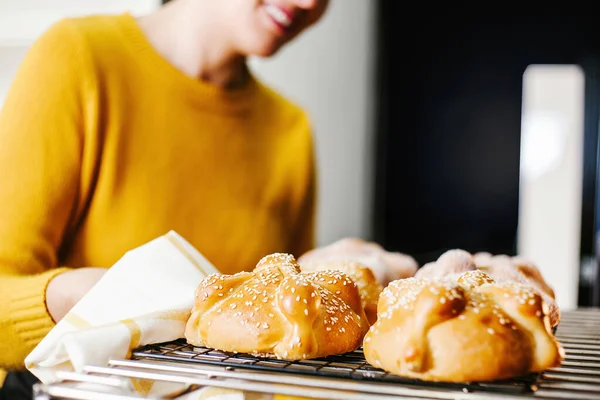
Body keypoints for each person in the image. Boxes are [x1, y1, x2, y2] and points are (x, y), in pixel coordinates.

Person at [0, 0, 330, 397]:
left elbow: (290, 356)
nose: (309, 3)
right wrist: (73, 298)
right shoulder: (79, 58)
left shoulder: (290, 131)